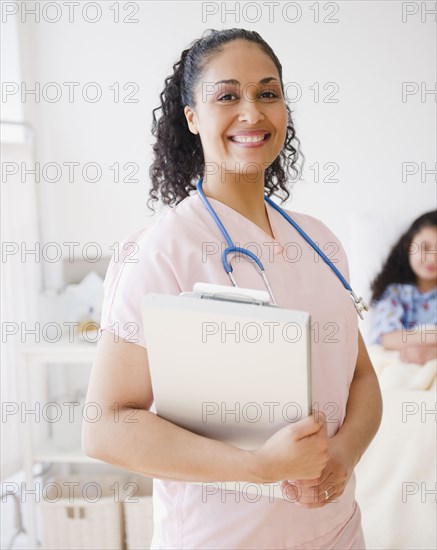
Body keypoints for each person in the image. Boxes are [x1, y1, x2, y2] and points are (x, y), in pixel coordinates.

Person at [82, 29, 382, 549]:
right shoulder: (162, 250)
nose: (252, 112)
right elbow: (106, 426)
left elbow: (361, 378)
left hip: (337, 532)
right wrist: (257, 467)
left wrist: (344, 455)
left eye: (268, 93)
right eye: (227, 96)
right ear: (192, 117)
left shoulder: (320, 240)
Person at [369, 211, 437, 365]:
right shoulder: (396, 293)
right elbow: (388, 337)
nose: (432, 258)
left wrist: (430, 353)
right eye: (425, 248)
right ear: (409, 248)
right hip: (401, 365)